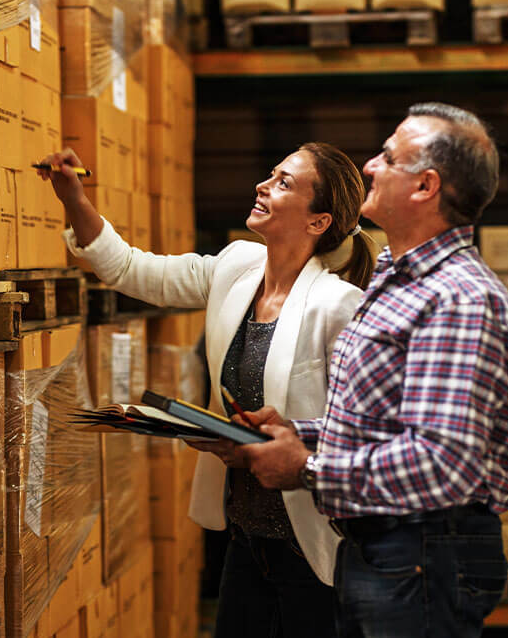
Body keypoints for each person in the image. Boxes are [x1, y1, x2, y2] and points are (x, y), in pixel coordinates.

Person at [37, 142, 377, 638]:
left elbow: (362, 429)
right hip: (246, 537)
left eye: (284, 183)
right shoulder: (237, 267)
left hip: (312, 547)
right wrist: (73, 197)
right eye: (271, 173)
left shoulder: (339, 305)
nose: (263, 185)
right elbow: (130, 270)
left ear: (317, 222)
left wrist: (264, 448)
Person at [239, 103, 508, 638]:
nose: (370, 166)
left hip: (421, 553)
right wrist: (293, 433)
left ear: (424, 187)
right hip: (384, 546)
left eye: (387, 158)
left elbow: (442, 464)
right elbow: (386, 425)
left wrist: (306, 467)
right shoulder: (397, 277)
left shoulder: (458, 300)